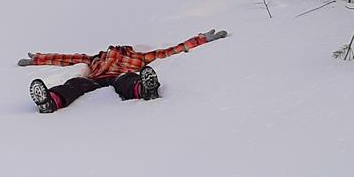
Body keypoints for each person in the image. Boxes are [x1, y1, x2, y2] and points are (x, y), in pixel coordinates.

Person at [16, 29, 229, 113]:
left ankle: (145, 89)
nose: (113, 51)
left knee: (128, 79)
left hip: (121, 76)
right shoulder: (95, 59)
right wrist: (38, 59)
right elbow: (66, 59)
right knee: (75, 84)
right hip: (97, 80)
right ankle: (50, 101)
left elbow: (170, 51)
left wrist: (200, 40)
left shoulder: (138, 57)